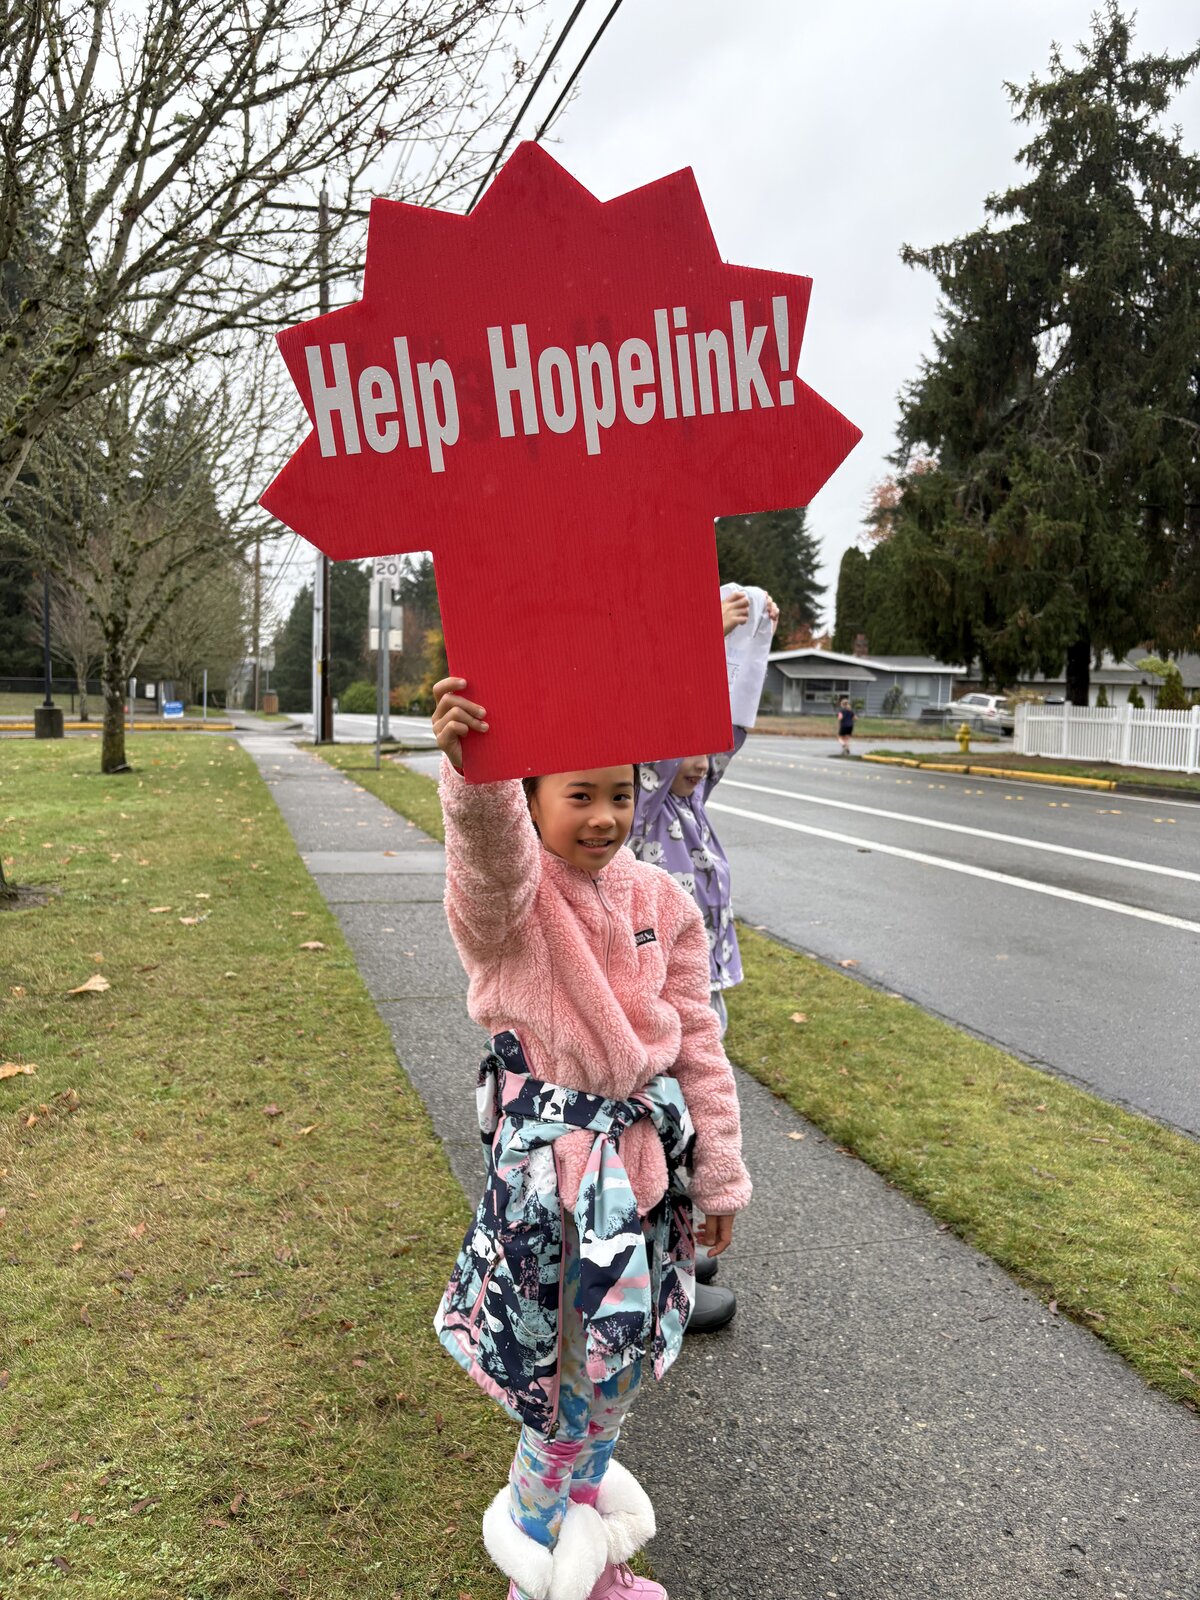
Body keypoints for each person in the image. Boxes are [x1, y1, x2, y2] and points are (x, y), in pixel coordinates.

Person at [430, 676, 753, 1600]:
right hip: (555, 1194)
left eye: (620, 793)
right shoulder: (514, 910)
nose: (605, 816)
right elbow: (488, 864)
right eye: (579, 795)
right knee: (565, 1392)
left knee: (612, 1382)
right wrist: (473, 777)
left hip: (645, 1180)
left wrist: (718, 1176)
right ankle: (539, 1572)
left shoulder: (662, 899)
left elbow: (698, 1040)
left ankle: (586, 1557)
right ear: (531, 799)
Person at [628, 588, 777, 1334]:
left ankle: (676, 1250)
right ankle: (657, 1279)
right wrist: (695, 640)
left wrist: (750, 644)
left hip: (697, 989)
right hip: (655, 1000)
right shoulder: (648, 802)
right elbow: (659, 729)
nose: (701, 758)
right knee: (663, 1126)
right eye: (685, 746)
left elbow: (732, 726)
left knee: (689, 1126)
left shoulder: (691, 799)